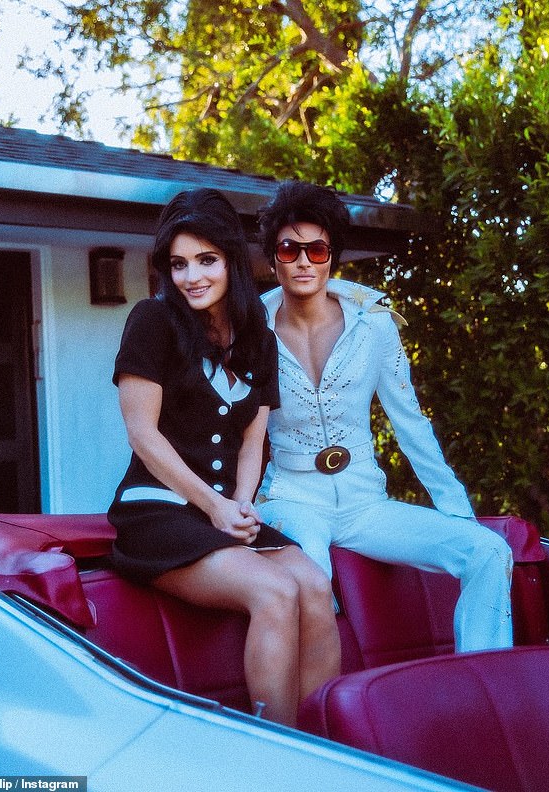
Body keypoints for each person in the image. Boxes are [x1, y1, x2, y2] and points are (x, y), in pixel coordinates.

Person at [107, 188, 340, 726]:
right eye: (180, 263)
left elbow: (253, 438)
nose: (192, 276)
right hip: (156, 514)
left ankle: (324, 751)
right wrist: (214, 506)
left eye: (206, 260)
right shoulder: (152, 320)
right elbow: (142, 434)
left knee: (314, 586)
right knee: (274, 590)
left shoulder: (257, 336)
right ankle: (272, 752)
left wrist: (240, 502)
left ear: (231, 261)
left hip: (220, 511)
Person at [255, 180, 513, 653]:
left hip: (364, 503)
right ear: (273, 259)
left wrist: (457, 513)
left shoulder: (374, 326)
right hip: (291, 499)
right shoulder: (250, 329)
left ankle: (482, 677)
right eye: (290, 249)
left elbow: (410, 423)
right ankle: (315, 712)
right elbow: (229, 426)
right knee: (311, 573)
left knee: (488, 551)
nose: (304, 262)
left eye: (317, 249)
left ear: (333, 256)